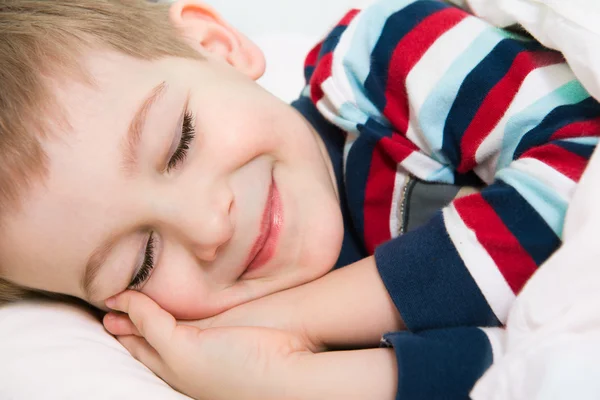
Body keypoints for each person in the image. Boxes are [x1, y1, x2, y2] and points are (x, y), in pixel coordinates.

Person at [0, 0, 597, 398]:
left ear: (216, 45)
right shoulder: (241, 343)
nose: (209, 227)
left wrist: (303, 317)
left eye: (179, 144)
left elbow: (579, 169)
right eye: (143, 261)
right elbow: (529, 369)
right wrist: (291, 379)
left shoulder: (378, 61)